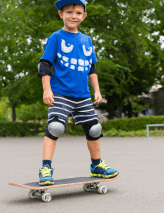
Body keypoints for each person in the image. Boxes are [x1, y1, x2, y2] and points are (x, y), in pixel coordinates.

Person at [37, 0, 119, 186]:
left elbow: (92, 68)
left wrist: (96, 90)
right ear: (61, 14)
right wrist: (46, 89)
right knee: (55, 127)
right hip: (60, 93)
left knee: (94, 129)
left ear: (84, 16)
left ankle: (97, 166)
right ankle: (46, 168)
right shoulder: (56, 37)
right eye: (69, 12)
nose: (74, 16)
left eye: (78, 12)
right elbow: (44, 65)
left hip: (83, 95)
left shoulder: (87, 40)